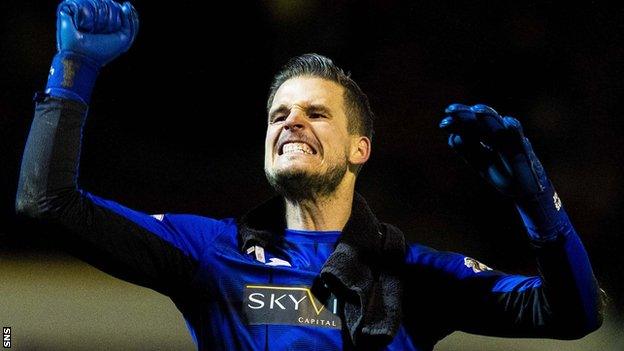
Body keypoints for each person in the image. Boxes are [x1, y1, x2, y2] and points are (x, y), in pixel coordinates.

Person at [16, 0, 605, 350]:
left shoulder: (413, 274)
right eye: (279, 113)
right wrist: (74, 66)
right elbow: (48, 203)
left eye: (315, 113)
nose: (292, 121)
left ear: (359, 148)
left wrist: (537, 204)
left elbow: (574, 315)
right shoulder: (208, 250)